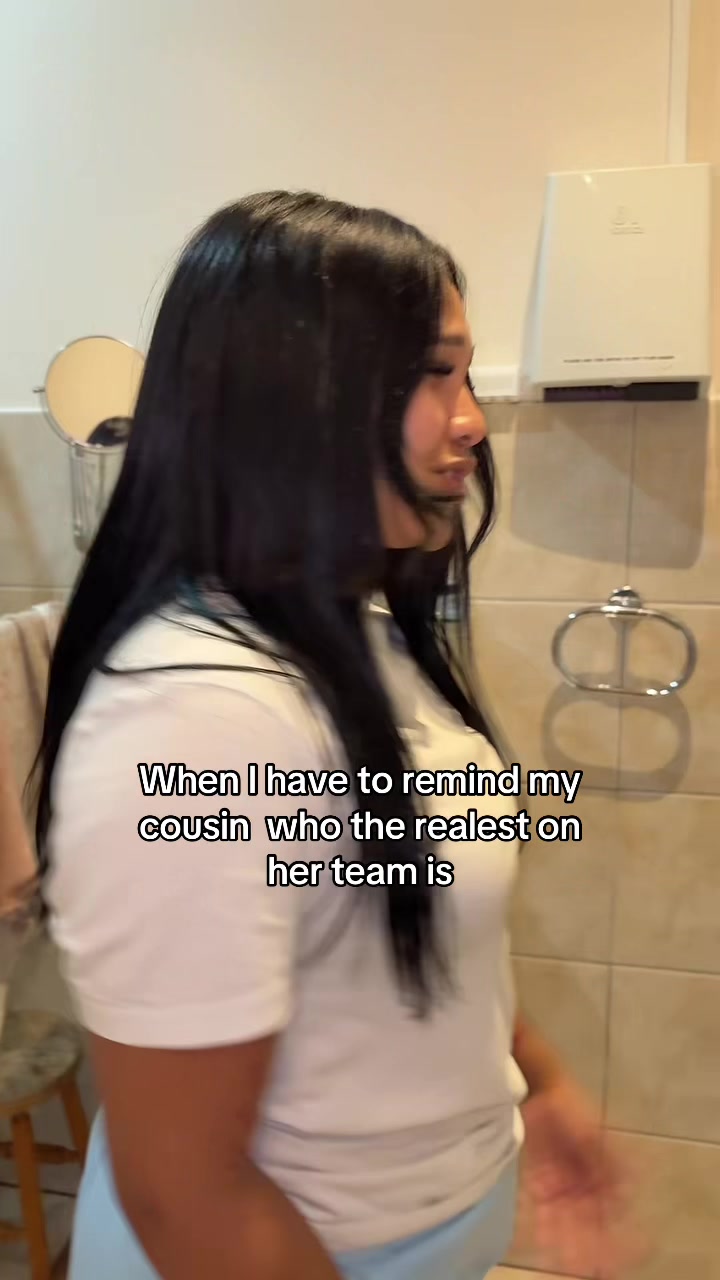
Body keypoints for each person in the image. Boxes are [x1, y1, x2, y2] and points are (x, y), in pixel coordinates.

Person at [33, 192, 633, 1280]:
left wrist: (538, 1084)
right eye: (437, 374)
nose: (472, 421)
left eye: (467, 373)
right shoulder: (198, 717)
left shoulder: (358, 632)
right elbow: (186, 1194)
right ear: (297, 400)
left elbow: (412, 924)